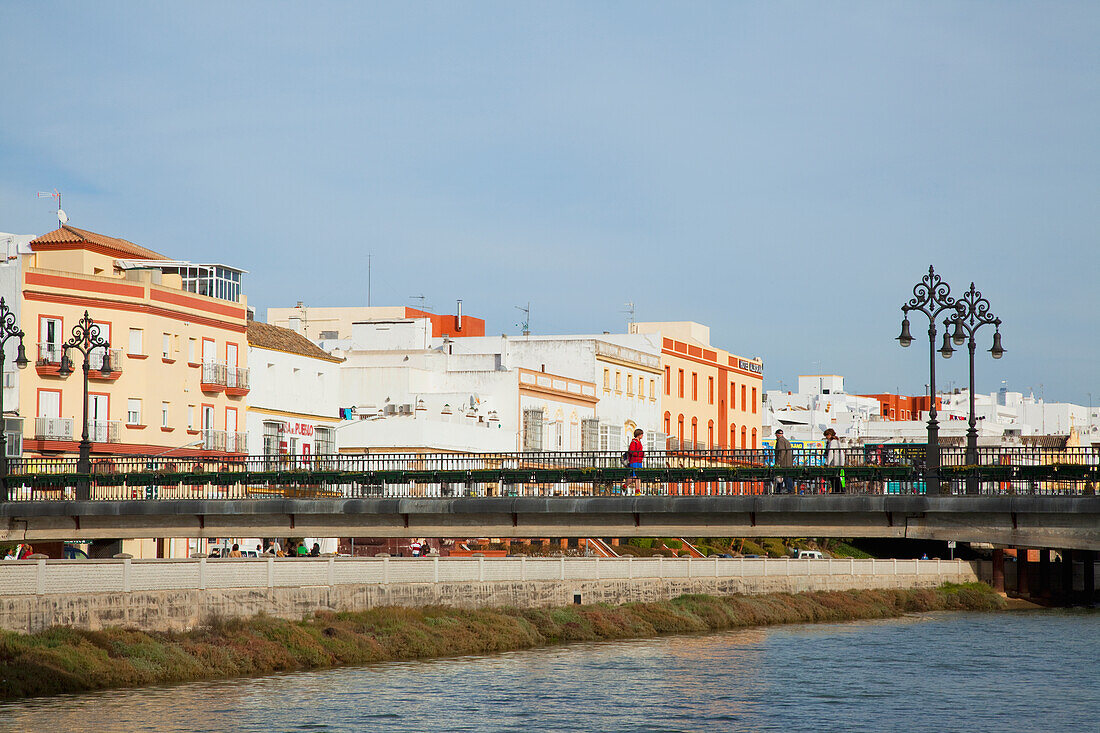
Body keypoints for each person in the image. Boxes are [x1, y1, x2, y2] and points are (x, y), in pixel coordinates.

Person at [823, 428, 843, 493]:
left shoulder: (832, 443)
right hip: (839, 462)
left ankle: (837, 490)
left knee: (833, 477)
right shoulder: (837, 442)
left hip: (834, 463)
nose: (826, 438)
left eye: (826, 436)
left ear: (829, 435)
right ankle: (839, 490)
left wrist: (827, 463)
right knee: (837, 477)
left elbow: (830, 453)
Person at [774, 429, 794, 494]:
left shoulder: (780, 441)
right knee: (788, 476)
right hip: (788, 462)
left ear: (777, 434)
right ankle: (789, 489)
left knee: (783, 476)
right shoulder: (786, 441)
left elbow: (781, 452)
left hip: (783, 463)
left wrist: (778, 462)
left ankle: (784, 489)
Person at [627, 428, 644, 494]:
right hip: (634, 461)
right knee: (634, 477)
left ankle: (637, 491)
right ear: (638, 435)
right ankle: (625, 485)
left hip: (639, 461)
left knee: (638, 476)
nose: (642, 435)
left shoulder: (639, 442)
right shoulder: (634, 442)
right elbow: (632, 452)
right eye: (641, 434)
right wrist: (641, 453)